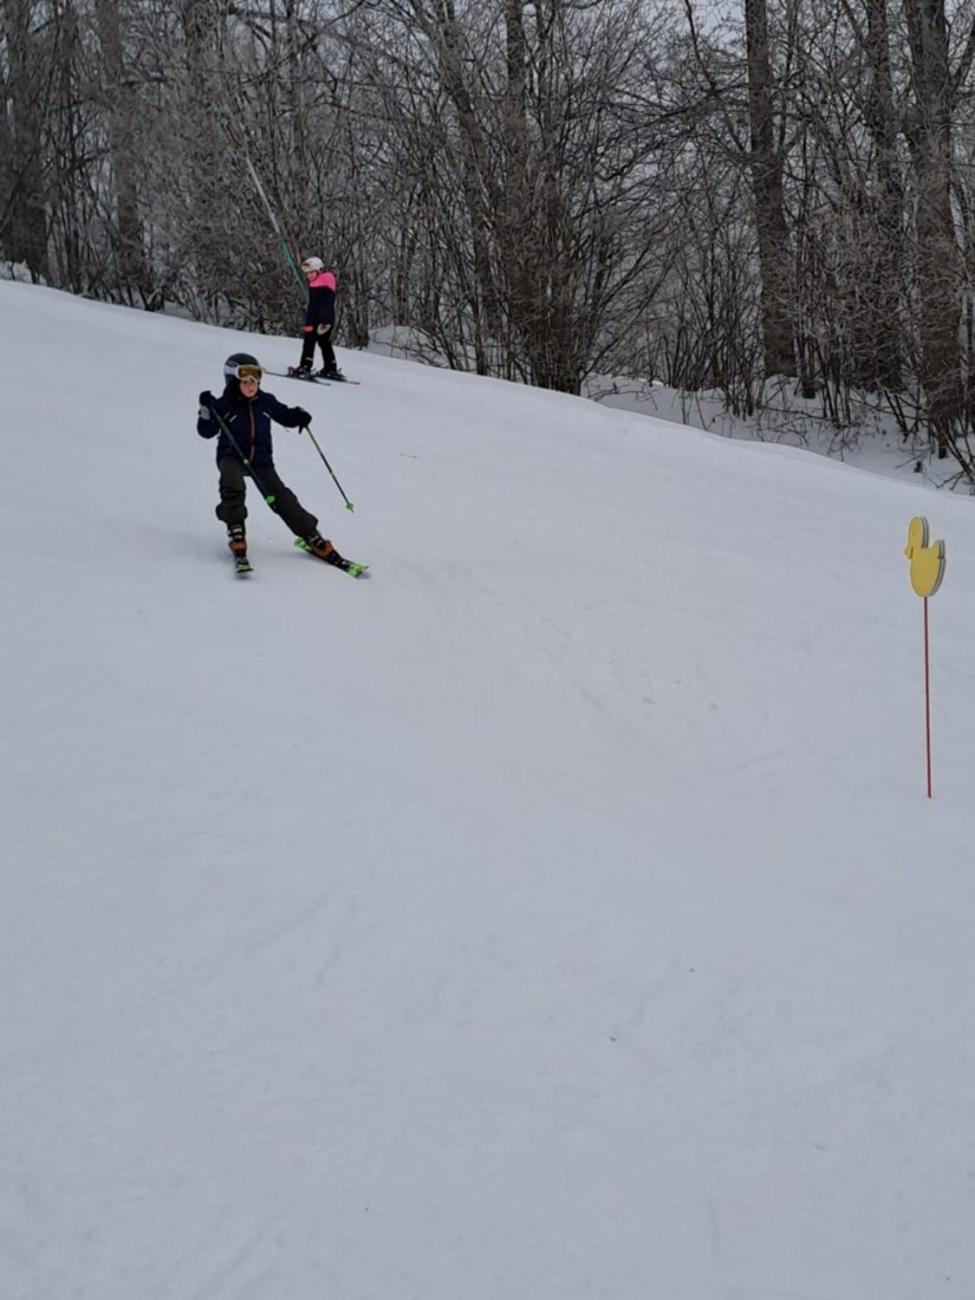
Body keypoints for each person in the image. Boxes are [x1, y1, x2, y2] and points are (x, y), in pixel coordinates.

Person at [198, 352, 352, 569]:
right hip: (231, 457)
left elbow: (284, 415)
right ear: (233, 382)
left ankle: (311, 534)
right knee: (232, 484)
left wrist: (298, 415)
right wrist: (206, 409)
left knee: (282, 498)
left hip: (260, 460)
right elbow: (205, 431)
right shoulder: (223, 405)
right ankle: (236, 528)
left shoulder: (265, 401)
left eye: (255, 381)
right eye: (246, 382)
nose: (252, 386)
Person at [293, 255, 344, 380]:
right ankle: (330, 367)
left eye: (311, 273)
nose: (309, 276)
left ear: (318, 271)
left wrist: (309, 322)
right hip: (328, 319)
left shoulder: (317, 285)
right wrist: (327, 321)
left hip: (317, 320)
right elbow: (327, 303)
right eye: (307, 274)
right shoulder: (328, 282)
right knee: (324, 343)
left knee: (309, 343)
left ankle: (305, 367)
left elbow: (314, 306)